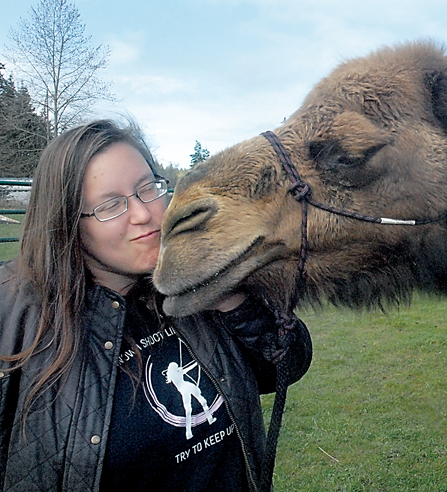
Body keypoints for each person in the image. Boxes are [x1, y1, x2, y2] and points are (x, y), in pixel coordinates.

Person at [0, 120, 312, 491]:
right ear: (68, 222)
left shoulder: (190, 284)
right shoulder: (17, 315)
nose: (144, 214)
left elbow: (285, 365)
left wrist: (227, 294)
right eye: (111, 205)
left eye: (148, 188)